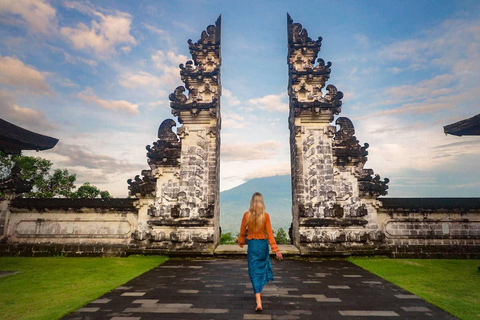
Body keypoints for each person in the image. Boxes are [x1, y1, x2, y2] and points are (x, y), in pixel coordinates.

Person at [238, 192, 283, 311]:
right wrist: (276, 250)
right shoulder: (266, 216)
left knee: (253, 271)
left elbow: (242, 232)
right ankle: (259, 294)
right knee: (261, 268)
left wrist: (241, 241)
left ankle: (258, 301)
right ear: (262, 202)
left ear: (252, 202)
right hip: (263, 246)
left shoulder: (246, 215)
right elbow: (270, 234)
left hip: (252, 246)